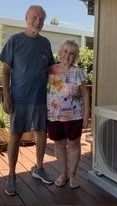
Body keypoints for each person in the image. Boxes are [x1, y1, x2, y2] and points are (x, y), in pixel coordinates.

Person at [0, 5, 55, 196]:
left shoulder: (46, 43)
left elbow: (52, 70)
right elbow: (5, 70)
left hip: (40, 98)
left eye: (41, 18)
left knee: (41, 133)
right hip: (19, 99)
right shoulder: (15, 41)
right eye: (34, 17)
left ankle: (39, 168)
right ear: (26, 18)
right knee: (15, 135)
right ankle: (12, 176)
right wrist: (6, 95)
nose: (38, 21)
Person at [47, 40, 89, 188]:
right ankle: (63, 174)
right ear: (60, 52)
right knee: (59, 145)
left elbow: (84, 94)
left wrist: (86, 114)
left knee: (74, 145)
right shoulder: (52, 70)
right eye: (65, 51)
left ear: (75, 56)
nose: (67, 55)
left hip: (74, 116)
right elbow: (54, 90)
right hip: (54, 116)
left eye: (72, 53)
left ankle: (72, 175)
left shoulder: (78, 72)